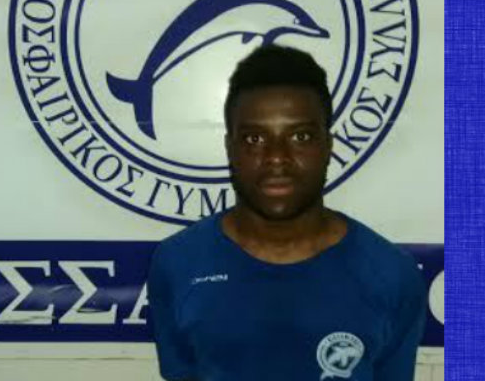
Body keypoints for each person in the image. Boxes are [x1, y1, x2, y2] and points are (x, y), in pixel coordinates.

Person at [147, 45, 426, 381]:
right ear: (230, 147)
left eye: (300, 136)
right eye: (254, 138)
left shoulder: (391, 274)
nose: (276, 157)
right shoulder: (178, 263)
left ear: (327, 145)